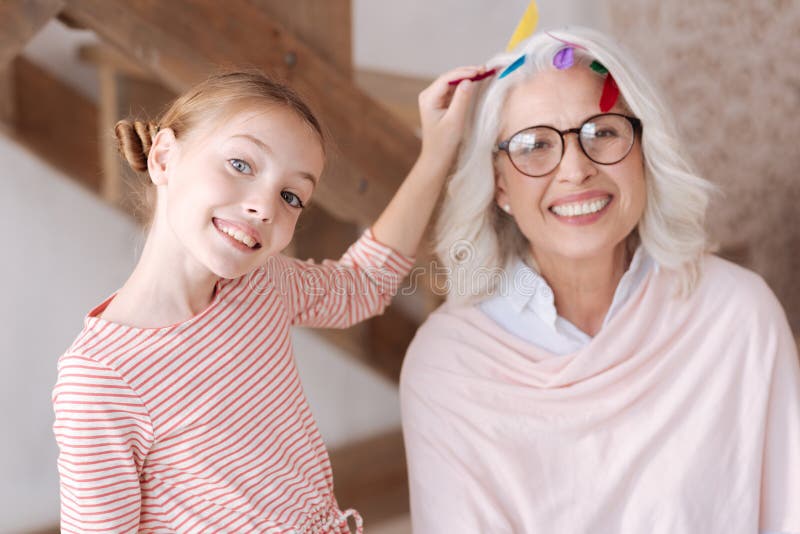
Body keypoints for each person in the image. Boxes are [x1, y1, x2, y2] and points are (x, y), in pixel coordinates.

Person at [400, 27, 800, 533]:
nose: (575, 170)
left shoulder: (738, 315)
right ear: (500, 183)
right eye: (535, 145)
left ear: (643, 152)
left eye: (603, 132)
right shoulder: (447, 363)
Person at [51, 67, 483, 534]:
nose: (264, 206)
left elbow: (364, 284)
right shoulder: (99, 381)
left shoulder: (262, 284)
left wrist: (438, 148)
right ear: (163, 158)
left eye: (292, 196)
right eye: (241, 165)